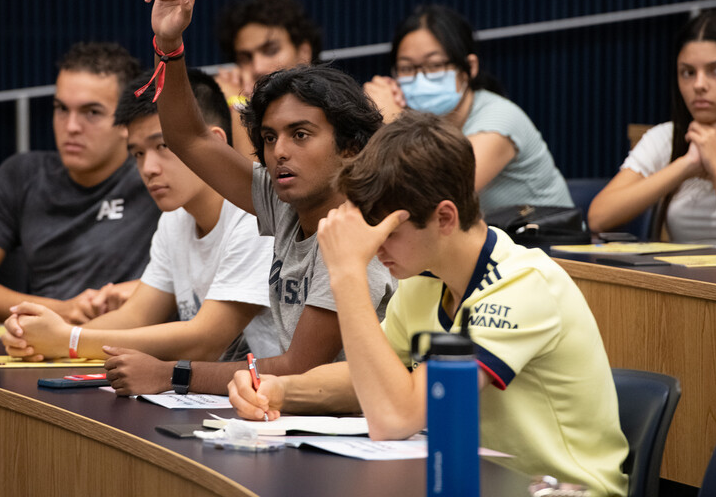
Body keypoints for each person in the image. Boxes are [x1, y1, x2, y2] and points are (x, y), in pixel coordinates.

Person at [228, 110, 629, 497]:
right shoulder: (423, 281)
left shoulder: (523, 285)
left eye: (388, 231)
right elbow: (368, 378)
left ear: (444, 218)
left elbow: (396, 417)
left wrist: (346, 274)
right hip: (477, 484)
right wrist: (278, 390)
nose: (375, 248)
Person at [103, 0, 395, 396]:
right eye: (270, 136)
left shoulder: (362, 231)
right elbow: (188, 138)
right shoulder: (285, 202)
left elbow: (299, 367)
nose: (279, 151)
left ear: (350, 147)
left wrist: (172, 375)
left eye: (300, 135)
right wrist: (169, 45)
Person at [0, 68, 281, 365]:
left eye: (162, 146)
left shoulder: (254, 215)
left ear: (214, 142)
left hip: (282, 405)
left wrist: (69, 340)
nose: (149, 168)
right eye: (138, 153)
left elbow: (205, 341)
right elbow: (135, 316)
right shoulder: (175, 219)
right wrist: (39, 338)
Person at [0, 42, 162, 323]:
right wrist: (61, 311)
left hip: (128, 345)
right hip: (41, 345)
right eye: (61, 109)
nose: (71, 126)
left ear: (125, 123)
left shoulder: (156, 175)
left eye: (91, 112)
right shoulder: (22, 174)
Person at [364, 4, 572, 212]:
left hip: (546, 240)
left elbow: (436, 194)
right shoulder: (417, 121)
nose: (420, 79)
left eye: (435, 65)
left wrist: (393, 122)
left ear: (469, 67)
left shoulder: (500, 118)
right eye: (407, 68)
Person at [589, 10, 716, 245]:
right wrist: (687, 164)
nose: (699, 85)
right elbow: (598, 217)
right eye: (688, 72)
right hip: (679, 280)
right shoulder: (665, 137)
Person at [214, 0, 321, 161]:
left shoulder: (334, 110)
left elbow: (261, 186)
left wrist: (237, 105)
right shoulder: (226, 114)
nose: (258, 67)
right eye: (246, 58)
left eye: (270, 51)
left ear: (303, 52)